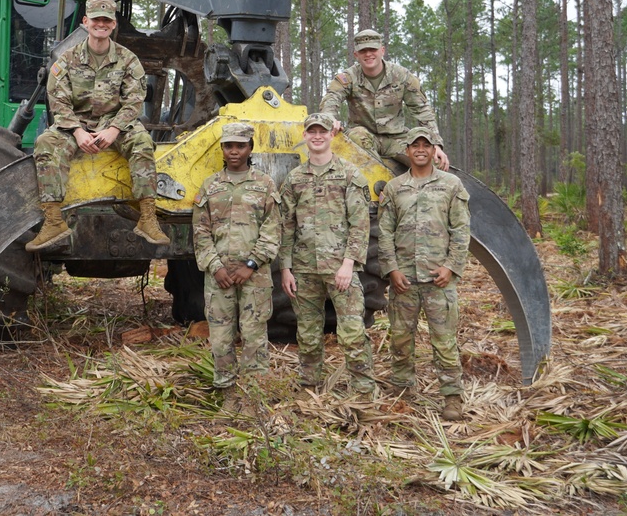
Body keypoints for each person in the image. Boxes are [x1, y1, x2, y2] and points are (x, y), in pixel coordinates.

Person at [27, 0, 170, 251]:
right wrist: (78, 132)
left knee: (142, 142)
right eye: (96, 20)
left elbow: (134, 101)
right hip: (76, 123)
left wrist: (114, 130)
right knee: (46, 142)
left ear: (113, 24)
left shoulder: (128, 60)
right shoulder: (67, 60)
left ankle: (148, 217)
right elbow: (58, 100)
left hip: (115, 123)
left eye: (106, 20)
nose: (101, 24)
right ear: (86, 22)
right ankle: (53, 221)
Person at [377, 126, 471, 421]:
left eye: (426, 145)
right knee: (401, 340)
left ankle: (452, 397)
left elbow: (461, 231)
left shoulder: (451, 185)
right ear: (407, 151)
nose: (420, 149)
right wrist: (391, 269)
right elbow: (384, 233)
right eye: (414, 145)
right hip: (403, 280)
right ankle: (403, 391)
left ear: (434, 151)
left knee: (444, 342)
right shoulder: (394, 189)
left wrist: (451, 267)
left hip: (438, 280)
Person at [280, 113, 375, 399]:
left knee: (352, 334)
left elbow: (360, 223)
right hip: (304, 268)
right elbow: (285, 225)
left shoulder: (349, 174)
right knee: (308, 334)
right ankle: (310, 387)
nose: (317, 136)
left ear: (331, 135)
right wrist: (285, 268)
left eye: (322, 131)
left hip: (340, 268)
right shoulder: (295, 179)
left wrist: (349, 264)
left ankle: (362, 391)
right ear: (305, 136)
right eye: (312, 132)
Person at [192, 122, 281, 407]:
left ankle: (255, 397)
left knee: (254, 336)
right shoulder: (210, 186)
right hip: (219, 276)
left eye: (240, 146)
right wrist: (215, 267)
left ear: (250, 149)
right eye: (229, 146)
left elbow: (273, 229)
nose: (234, 151)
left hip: (254, 277)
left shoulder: (265, 184)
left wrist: (251, 264)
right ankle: (227, 394)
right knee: (220, 338)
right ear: (222, 149)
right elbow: (200, 231)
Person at [319, 29, 451, 171]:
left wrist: (435, 143)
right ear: (356, 55)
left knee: (434, 162)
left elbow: (422, 109)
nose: (368, 54)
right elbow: (331, 100)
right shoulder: (348, 78)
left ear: (382, 50)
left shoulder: (401, 76)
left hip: (397, 138)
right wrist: (329, 118)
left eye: (373, 49)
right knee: (357, 137)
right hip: (363, 138)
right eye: (363, 51)